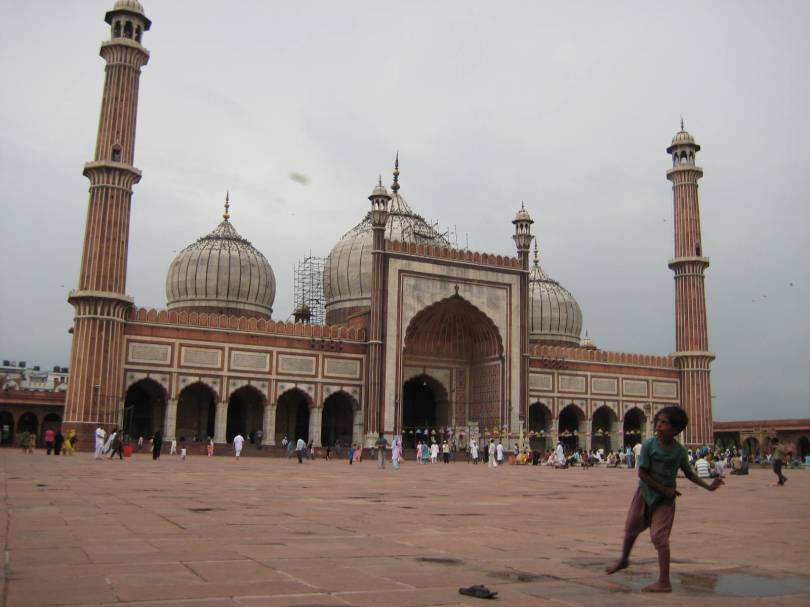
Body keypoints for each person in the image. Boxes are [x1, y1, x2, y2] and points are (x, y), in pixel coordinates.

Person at [606, 406, 722, 593]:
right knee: (630, 530)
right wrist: (664, 489)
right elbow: (642, 473)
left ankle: (664, 581)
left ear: (675, 430)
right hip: (645, 494)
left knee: (660, 538)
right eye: (657, 421)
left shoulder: (679, 451)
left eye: (664, 422)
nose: (658, 425)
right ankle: (624, 559)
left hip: (665, 500)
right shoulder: (649, 445)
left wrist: (708, 486)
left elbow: (689, 474)